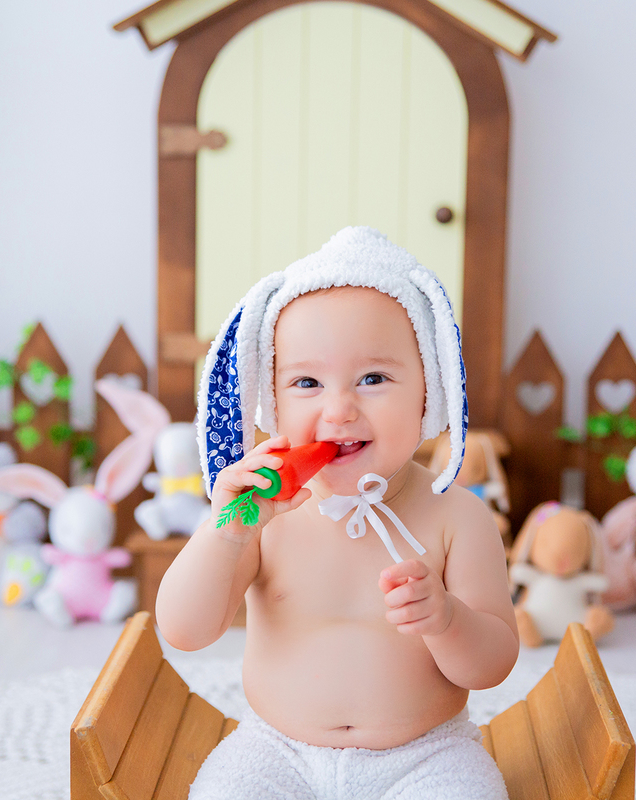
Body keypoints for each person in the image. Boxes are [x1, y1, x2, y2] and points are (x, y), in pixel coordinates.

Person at [156, 227, 519, 800]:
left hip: (426, 753)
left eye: (373, 378)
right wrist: (226, 532)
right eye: (307, 382)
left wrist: (445, 619)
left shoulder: (456, 516)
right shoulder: (262, 512)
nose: (339, 408)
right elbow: (183, 631)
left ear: (429, 392)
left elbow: (493, 664)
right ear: (272, 401)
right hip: (277, 747)